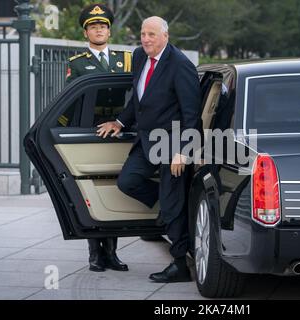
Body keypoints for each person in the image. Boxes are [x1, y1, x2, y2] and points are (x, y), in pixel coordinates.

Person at [97, 16, 201, 283]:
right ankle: (168, 210)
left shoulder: (181, 65)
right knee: (127, 181)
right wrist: (120, 122)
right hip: (146, 140)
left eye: (151, 34)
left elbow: (192, 115)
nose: (145, 39)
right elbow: (138, 99)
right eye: (143, 34)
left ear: (165, 36)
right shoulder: (140, 58)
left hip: (171, 143)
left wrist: (183, 150)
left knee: (171, 201)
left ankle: (180, 265)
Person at [65, 3, 131, 273]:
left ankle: (112, 254)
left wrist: (123, 122)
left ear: (109, 30)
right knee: (91, 191)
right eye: (93, 27)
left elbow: (135, 95)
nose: (99, 30)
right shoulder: (77, 64)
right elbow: (71, 101)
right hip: (90, 132)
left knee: (112, 190)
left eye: (102, 26)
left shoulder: (125, 59)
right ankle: (95, 254)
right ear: (86, 33)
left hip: (119, 130)